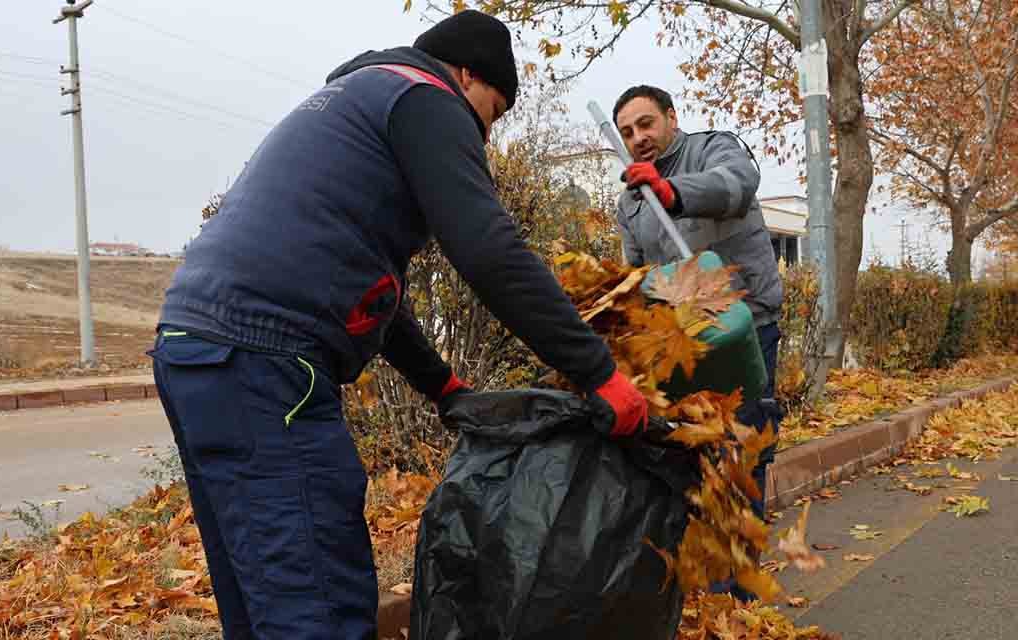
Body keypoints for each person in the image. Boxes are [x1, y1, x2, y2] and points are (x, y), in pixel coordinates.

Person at [148, 11, 647, 639]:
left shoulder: (358, 100)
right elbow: (487, 248)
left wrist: (444, 388)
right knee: (318, 605)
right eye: (491, 114)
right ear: (468, 76)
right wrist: (597, 371)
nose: (483, 137)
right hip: (268, 363)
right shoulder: (426, 98)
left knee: (262, 596)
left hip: (195, 352)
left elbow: (374, 292)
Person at [611, 84, 784, 599]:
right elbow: (638, 274)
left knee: (743, 454)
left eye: (646, 124)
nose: (638, 138)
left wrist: (673, 193)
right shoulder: (630, 201)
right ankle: (708, 586)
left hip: (744, 329)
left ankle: (741, 599)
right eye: (627, 132)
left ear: (670, 117)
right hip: (686, 347)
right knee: (696, 462)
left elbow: (737, 184)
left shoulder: (713, 149)